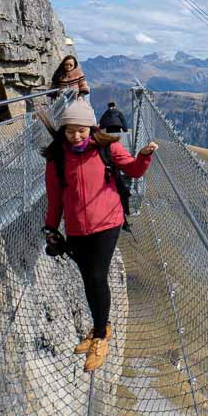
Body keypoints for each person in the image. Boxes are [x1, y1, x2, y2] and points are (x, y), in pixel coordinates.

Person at [42, 100, 157, 372]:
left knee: (96, 276)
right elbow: (55, 198)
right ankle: (99, 328)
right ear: (64, 131)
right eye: (70, 130)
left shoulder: (107, 148)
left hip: (107, 222)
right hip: (77, 227)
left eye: (81, 129)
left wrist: (143, 156)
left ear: (91, 127)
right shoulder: (57, 157)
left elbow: (133, 170)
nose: (76, 135)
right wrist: (50, 228)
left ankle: (102, 337)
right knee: (88, 280)